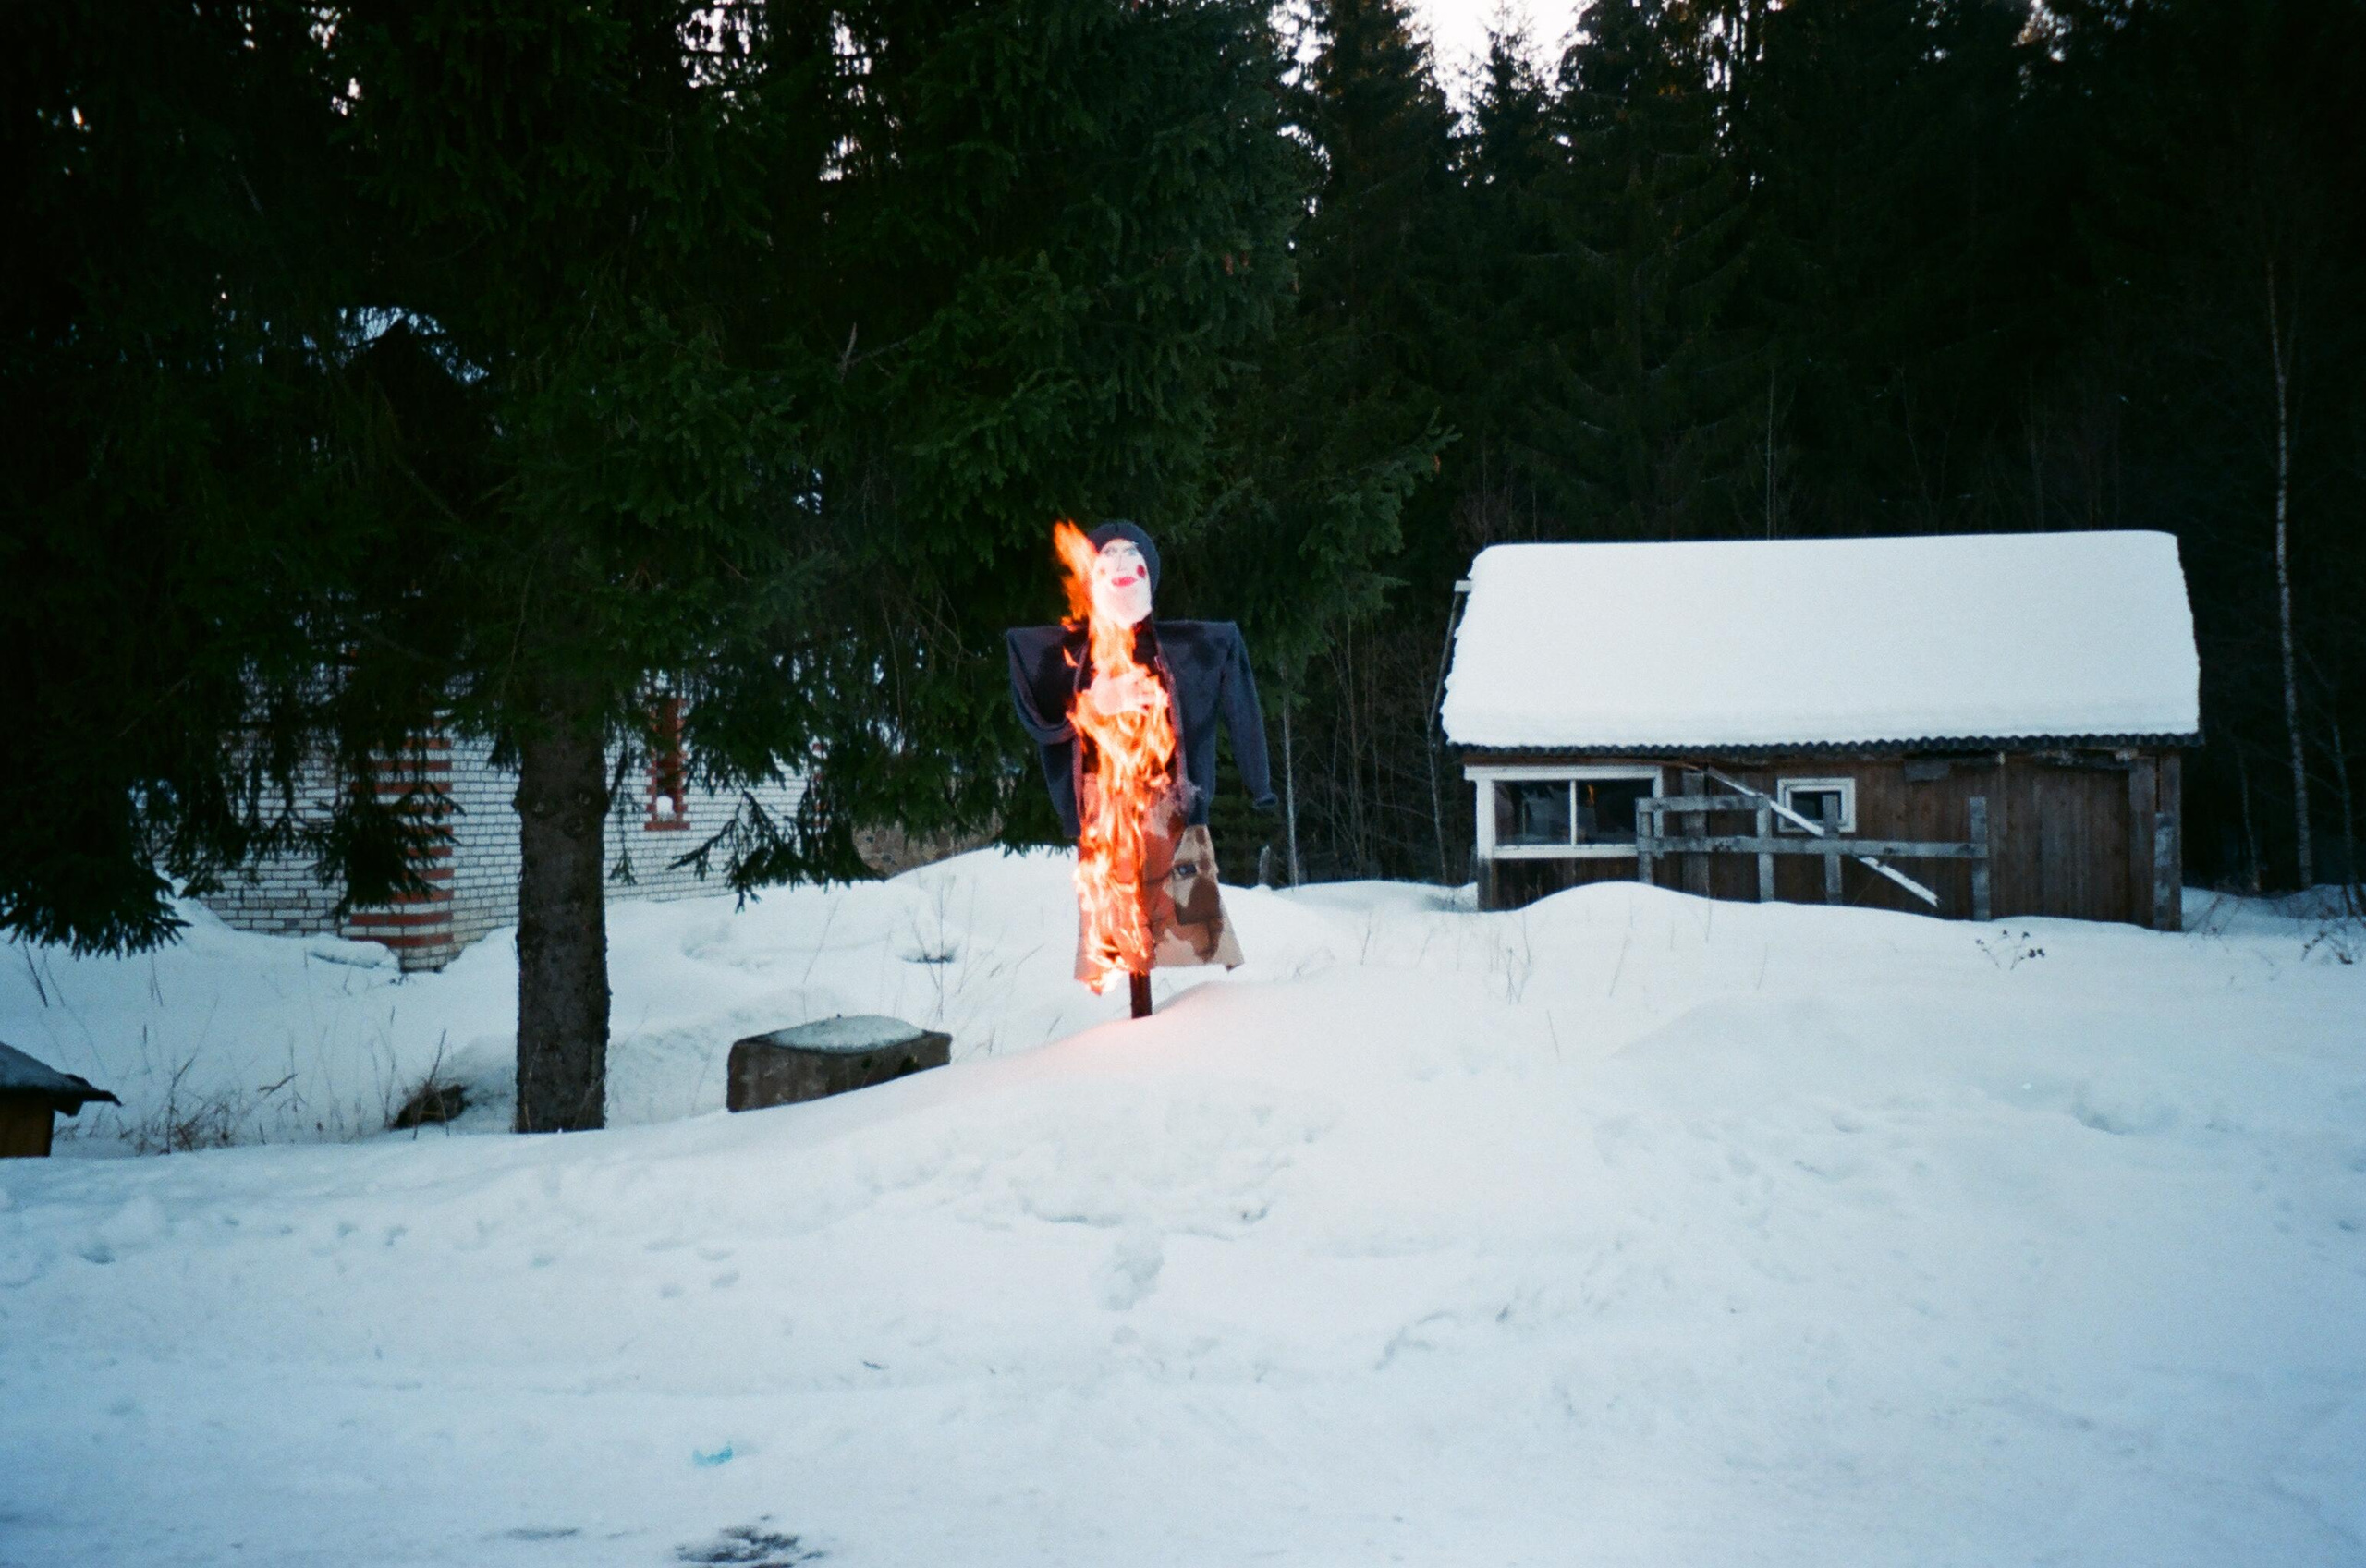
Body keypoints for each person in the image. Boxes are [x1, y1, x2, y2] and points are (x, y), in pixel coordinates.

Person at [1006, 521, 1276, 981]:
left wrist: (1259, 783)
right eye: (1105, 559)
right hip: (1104, 810)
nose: (1119, 566)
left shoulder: (1196, 646)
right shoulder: (1064, 655)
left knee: (1188, 935)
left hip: (1171, 806)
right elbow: (1037, 716)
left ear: (1150, 570)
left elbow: (1240, 698)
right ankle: (1138, 1042)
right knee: (1118, 943)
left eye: (1131, 556)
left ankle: (1179, 1037)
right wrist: (1092, 703)